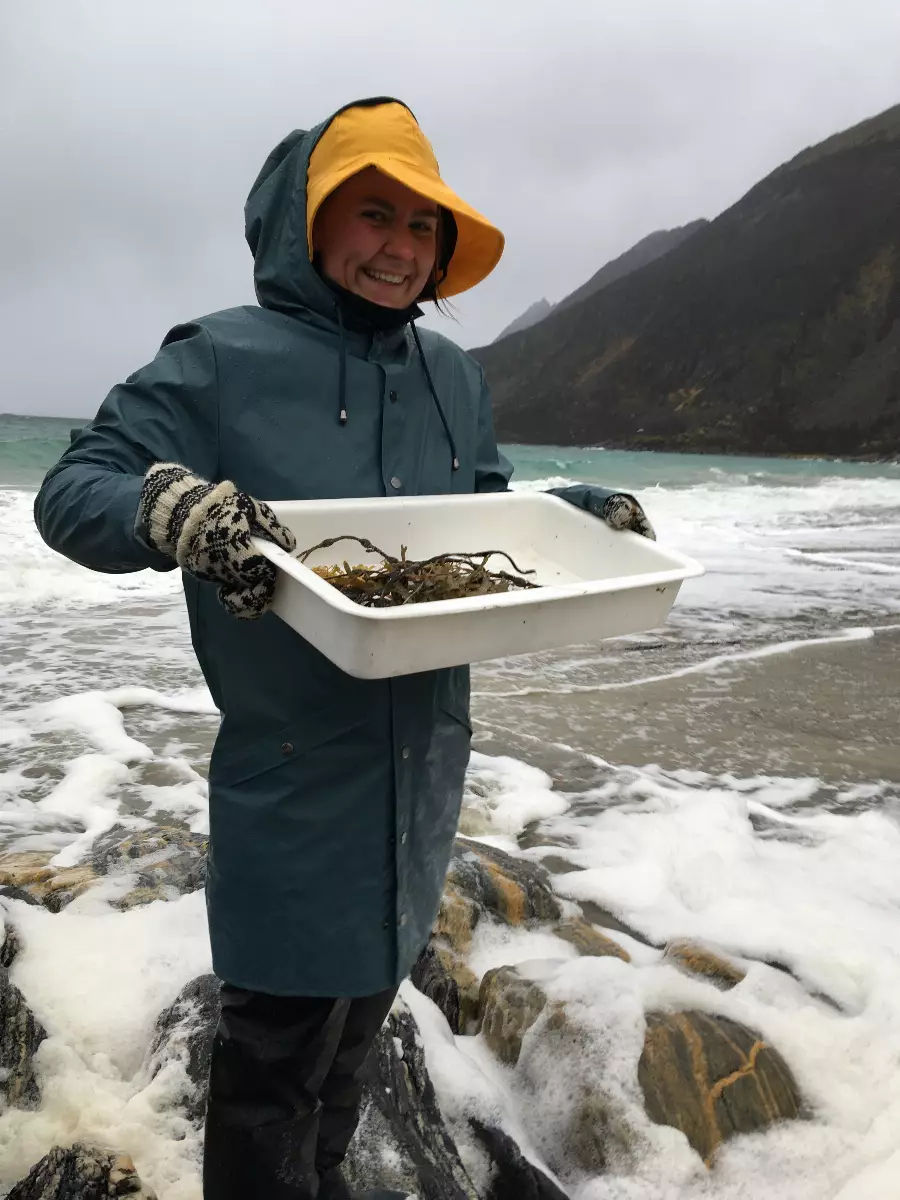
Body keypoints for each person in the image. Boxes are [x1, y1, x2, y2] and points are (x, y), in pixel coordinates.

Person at [34, 97, 654, 1200]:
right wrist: (172, 510)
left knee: (357, 1050)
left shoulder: (453, 376)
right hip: (293, 779)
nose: (401, 248)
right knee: (270, 1071)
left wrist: (578, 512)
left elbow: (488, 517)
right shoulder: (220, 358)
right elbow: (74, 488)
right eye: (374, 214)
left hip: (423, 775)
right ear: (308, 223)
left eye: (423, 227)